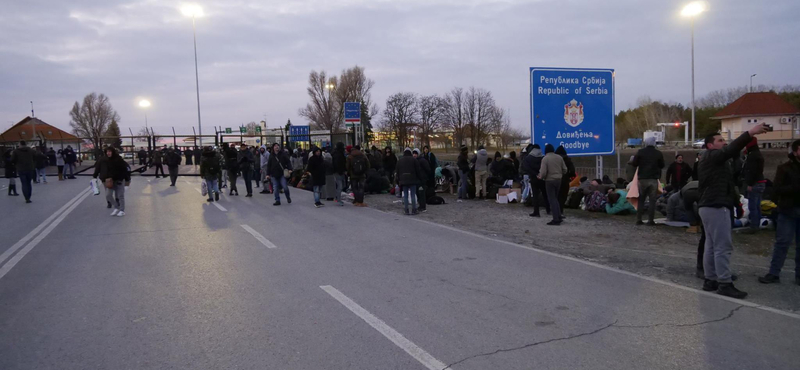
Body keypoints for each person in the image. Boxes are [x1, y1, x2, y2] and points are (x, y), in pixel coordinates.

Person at [698, 123, 769, 299]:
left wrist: (736, 202)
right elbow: (729, 150)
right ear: (710, 145)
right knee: (722, 246)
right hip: (716, 206)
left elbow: (732, 163)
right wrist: (750, 133)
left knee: (711, 245)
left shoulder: (714, 160)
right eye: (720, 140)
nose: (724, 142)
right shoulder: (712, 156)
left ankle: (711, 280)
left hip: (709, 205)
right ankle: (724, 283)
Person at [758, 139, 800, 286]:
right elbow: (776, 189)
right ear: (795, 152)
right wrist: (794, 188)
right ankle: (774, 273)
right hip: (788, 211)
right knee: (783, 243)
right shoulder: (784, 168)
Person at [631, 136, 665, 226]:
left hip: (642, 178)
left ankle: (639, 219)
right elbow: (662, 165)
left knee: (641, 199)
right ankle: (650, 220)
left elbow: (634, 163)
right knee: (652, 200)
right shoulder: (658, 153)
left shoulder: (640, 152)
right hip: (653, 179)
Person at [538, 144, 566, 225]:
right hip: (559, 180)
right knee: (556, 199)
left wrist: (541, 177)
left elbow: (543, 172)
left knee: (552, 199)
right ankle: (559, 216)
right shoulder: (559, 157)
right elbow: (565, 169)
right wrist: (560, 174)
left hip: (549, 181)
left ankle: (556, 219)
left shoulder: (545, 159)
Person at [742, 138, 765, 234]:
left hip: (755, 183)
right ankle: (757, 224)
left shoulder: (752, 156)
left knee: (752, 206)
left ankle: (754, 226)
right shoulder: (758, 154)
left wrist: (750, 183)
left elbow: (751, 171)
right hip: (761, 182)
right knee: (757, 205)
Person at [523, 144, 549, 217]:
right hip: (543, 178)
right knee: (545, 194)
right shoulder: (543, 157)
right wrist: (540, 174)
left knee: (535, 195)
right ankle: (548, 209)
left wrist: (535, 174)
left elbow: (526, 168)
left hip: (534, 178)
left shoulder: (528, 158)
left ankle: (536, 211)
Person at [104, 147, 131, 217]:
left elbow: (124, 170)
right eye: (107, 152)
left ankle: (122, 210)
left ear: (112, 152)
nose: (108, 153)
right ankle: (116, 207)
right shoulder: (108, 160)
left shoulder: (119, 160)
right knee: (108, 195)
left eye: (109, 151)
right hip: (111, 181)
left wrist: (123, 179)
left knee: (120, 196)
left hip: (119, 180)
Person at [396, 148, 423, 215]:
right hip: (413, 179)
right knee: (413, 195)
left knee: (405, 195)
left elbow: (397, 171)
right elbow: (418, 170)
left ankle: (406, 210)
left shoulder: (400, 161)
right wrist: (420, 179)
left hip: (403, 180)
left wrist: (398, 180)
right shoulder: (414, 160)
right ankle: (414, 209)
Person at [413, 148, 431, 212]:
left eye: (416, 154)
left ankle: (423, 207)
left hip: (422, 180)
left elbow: (428, 169)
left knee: (421, 193)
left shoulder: (422, 160)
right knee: (418, 193)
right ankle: (421, 205)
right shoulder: (415, 161)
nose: (414, 155)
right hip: (417, 180)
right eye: (414, 154)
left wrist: (424, 177)